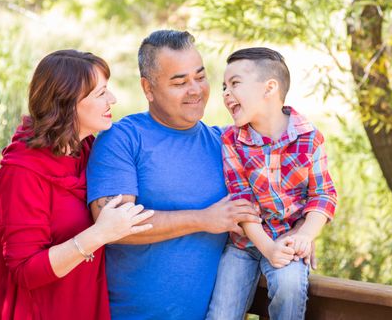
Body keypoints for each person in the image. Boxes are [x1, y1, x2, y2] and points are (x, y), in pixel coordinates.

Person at [87, 30, 293, 319]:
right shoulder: (122, 138)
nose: (195, 89)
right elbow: (113, 224)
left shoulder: (227, 145)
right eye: (180, 82)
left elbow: (276, 204)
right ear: (148, 89)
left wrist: (297, 239)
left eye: (200, 77)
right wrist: (203, 219)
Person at [0, 49, 154, 320]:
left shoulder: (88, 151)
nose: (113, 99)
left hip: (81, 304)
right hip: (33, 311)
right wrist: (99, 234)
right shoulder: (22, 174)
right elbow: (25, 270)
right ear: (68, 103)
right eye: (101, 93)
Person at [206, 47, 338, 320]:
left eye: (235, 84)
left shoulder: (309, 138)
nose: (226, 94)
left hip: (289, 239)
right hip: (244, 243)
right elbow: (241, 201)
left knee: (290, 288)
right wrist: (267, 247)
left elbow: (323, 195)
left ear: (269, 88)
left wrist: (305, 236)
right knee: (221, 314)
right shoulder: (232, 140)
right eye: (224, 87)